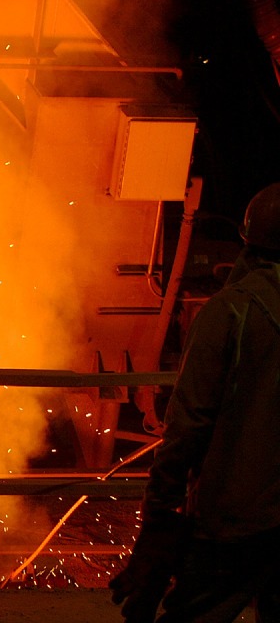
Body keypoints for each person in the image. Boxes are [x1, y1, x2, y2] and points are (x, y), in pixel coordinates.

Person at [109, 182, 280, 622]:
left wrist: (158, 523)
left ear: (248, 239)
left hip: (237, 523)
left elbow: (187, 428)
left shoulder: (232, 312)